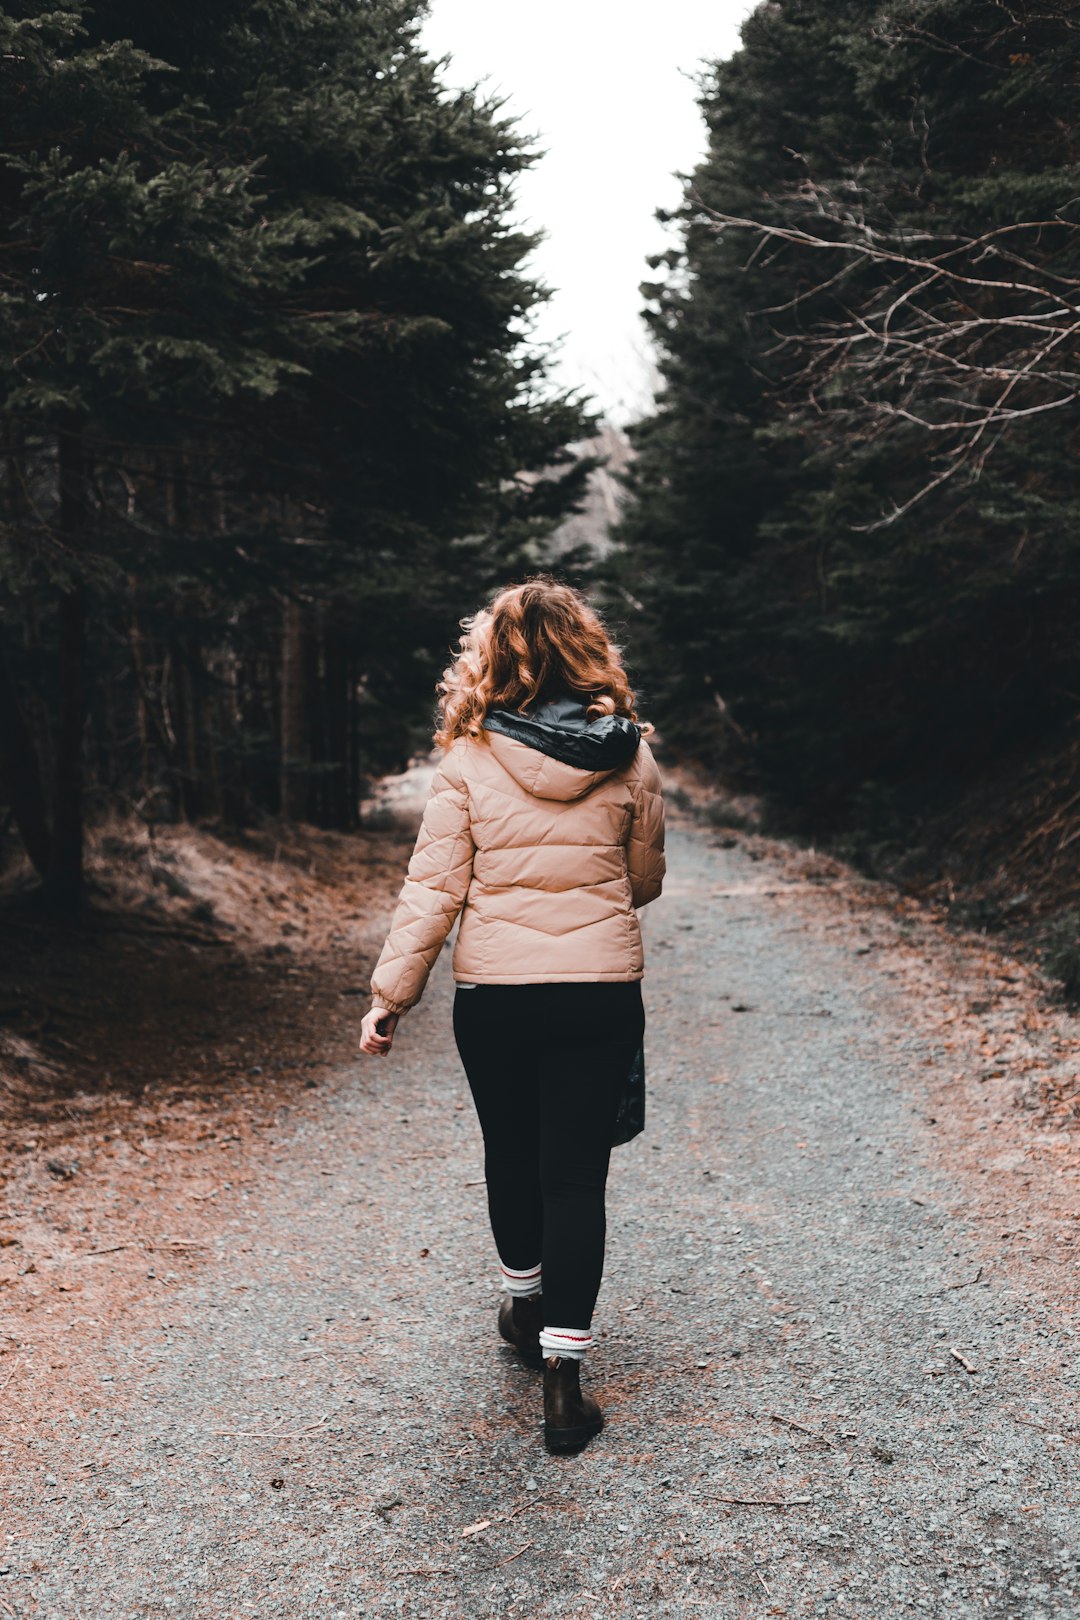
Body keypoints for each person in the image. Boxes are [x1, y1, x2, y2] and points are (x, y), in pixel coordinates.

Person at [359, 576, 665, 1453]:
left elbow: (433, 891)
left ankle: (525, 1309)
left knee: (512, 1150)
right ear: (585, 652)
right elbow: (643, 881)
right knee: (575, 1174)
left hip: (495, 998)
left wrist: (391, 998)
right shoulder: (629, 755)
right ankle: (565, 1388)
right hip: (599, 993)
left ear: (490, 660)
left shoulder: (468, 760)